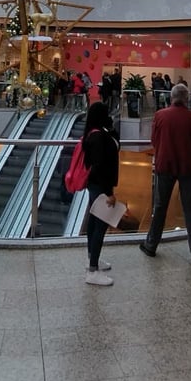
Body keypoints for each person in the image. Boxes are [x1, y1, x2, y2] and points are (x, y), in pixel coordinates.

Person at [139, 83, 191, 263]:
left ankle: (151, 245)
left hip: (165, 167)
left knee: (160, 207)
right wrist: (190, 155)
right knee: (189, 211)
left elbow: (154, 141)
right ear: (187, 98)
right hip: (187, 169)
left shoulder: (160, 115)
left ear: (171, 97)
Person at [82, 102, 120, 285]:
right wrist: (108, 192)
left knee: (93, 223)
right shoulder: (98, 137)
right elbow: (100, 165)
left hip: (95, 185)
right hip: (100, 186)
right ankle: (93, 270)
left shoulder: (93, 133)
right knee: (100, 226)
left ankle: (92, 259)